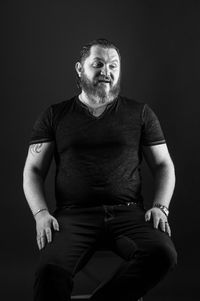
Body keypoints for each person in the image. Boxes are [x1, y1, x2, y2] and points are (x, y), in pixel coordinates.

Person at [23, 38, 177, 301]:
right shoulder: (55, 115)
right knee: (49, 272)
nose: (107, 71)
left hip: (128, 213)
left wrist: (161, 206)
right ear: (80, 69)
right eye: (98, 64)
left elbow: (163, 164)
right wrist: (40, 215)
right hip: (73, 217)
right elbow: (33, 170)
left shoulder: (140, 113)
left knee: (163, 254)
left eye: (114, 65)